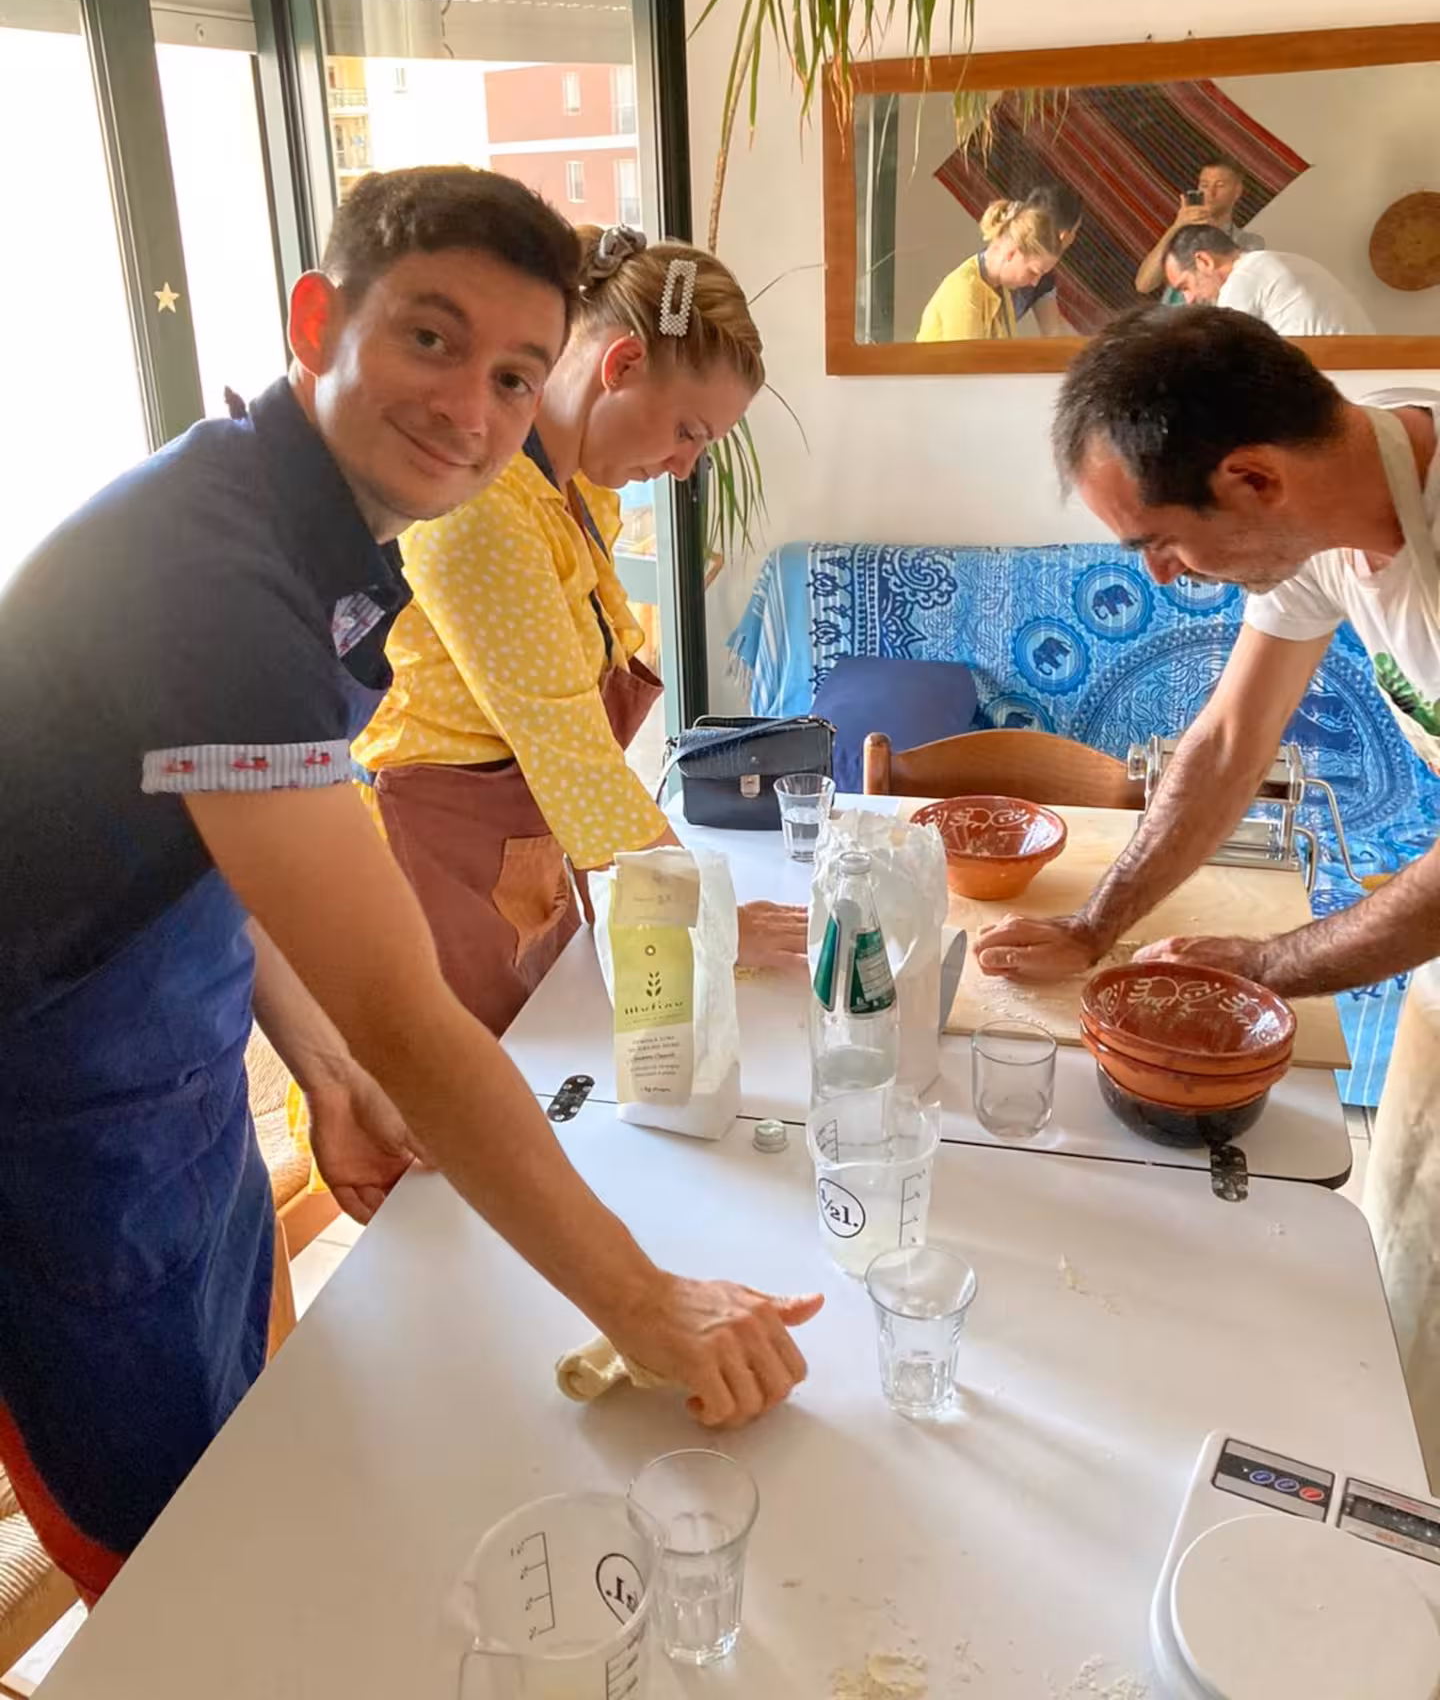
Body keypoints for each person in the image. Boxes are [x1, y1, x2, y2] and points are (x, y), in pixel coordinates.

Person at [0, 167, 821, 1603]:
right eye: (429, 341)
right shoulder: (209, 570)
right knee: (169, 1551)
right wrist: (646, 1306)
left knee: (250, 1450)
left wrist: (318, 1065)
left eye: (513, 373)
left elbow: (204, 854)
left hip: (170, 1054)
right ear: (318, 319)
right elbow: (406, 1008)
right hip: (44, 1096)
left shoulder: (309, 517)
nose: (473, 410)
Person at [973, 303, 1440, 1478]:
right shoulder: (1334, 508)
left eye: (1159, 544)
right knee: (1404, 1246)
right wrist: (1096, 921)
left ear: (1251, 478)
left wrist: (1273, 963)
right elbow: (1229, 740)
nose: (1163, 575)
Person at [355, 223, 805, 1033]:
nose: (685, 469)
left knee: (552, 1055)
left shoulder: (573, 492)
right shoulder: (483, 510)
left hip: (517, 848)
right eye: (687, 432)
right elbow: (573, 755)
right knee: (442, 1110)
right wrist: (712, 918)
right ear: (622, 364)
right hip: (433, 857)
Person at [1163, 226, 1375, 336]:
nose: (1188, 299)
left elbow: (1223, 356)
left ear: (1204, 261)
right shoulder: (1283, 260)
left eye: (1185, 286)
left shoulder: (1243, 277)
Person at [916, 197, 1062, 342]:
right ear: (1012, 253)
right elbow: (967, 363)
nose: (1035, 283)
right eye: (1033, 272)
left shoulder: (1001, 292)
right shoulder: (965, 289)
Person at [1133, 158, 1265, 302]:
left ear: (1237, 191)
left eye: (1220, 185)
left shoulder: (1250, 243)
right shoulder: (1182, 236)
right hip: (1170, 319)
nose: (1210, 192)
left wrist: (1213, 232)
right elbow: (1144, 285)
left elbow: (1240, 292)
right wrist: (1176, 227)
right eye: (1204, 185)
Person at [992, 183, 1082, 337]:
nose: (1033, 281)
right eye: (1076, 231)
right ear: (1064, 236)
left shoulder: (1043, 278)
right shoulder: (986, 275)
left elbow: (1053, 332)